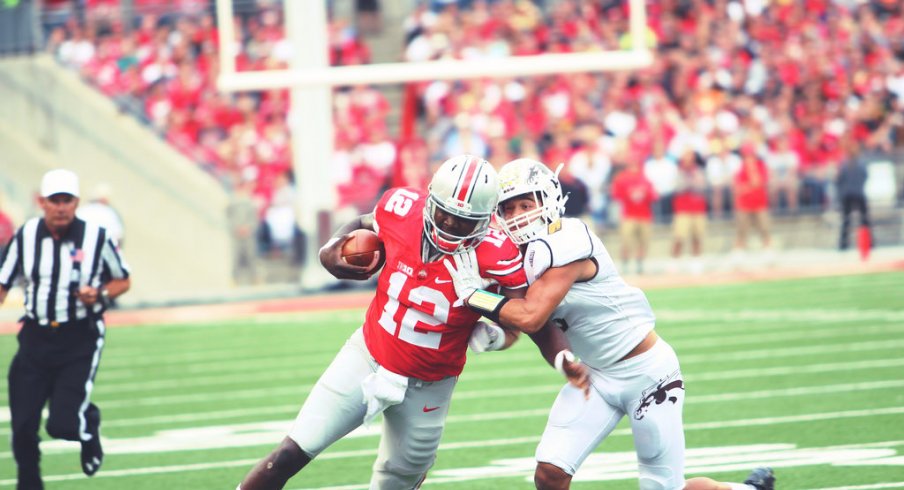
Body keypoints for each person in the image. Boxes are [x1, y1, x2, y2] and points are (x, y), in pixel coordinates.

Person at [236, 155, 585, 490]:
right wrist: (331, 251)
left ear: (484, 220)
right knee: (289, 452)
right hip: (367, 356)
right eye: (445, 213)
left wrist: (558, 355)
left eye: (462, 221)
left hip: (429, 386)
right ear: (431, 199)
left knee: (395, 483)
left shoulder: (498, 253)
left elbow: (529, 315)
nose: (449, 224)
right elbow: (362, 223)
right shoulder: (401, 207)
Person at [443, 158, 775, 490]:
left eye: (526, 204)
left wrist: (475, 296)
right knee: (549, 473)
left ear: (549, 200)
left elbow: (531, 315)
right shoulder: (517, 255)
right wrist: (504, 340)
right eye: (509, 208)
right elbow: (521, 327)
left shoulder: (567, 237)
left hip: (646, 372)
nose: (518, 216)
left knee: (664, 487)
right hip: (596, 376)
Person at [0, 169, 131, 489]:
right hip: (35, 336)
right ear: (41, 202)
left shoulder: (96, 237)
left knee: (63, 425)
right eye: (54, 200)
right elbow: (3, 283)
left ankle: (88, 425)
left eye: (66, 200)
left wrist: (98, 294)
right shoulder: (25, 236)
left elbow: (122, 279)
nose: (60, 207)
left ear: (76, 203)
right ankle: (29, 485)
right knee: (23, 426)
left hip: (79, 338)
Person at [610, 158, 657, 274]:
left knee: (643, 241)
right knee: (626, 240)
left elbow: (653, 196)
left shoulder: (645, 179)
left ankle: (640, 264)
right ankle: (625, 264)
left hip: (644, 215)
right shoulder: (622, 179)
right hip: (629, 215)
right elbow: (615, 194)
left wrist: (643, 194)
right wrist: (629, 194)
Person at [836, 140, 871, 251]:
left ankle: (843, 244)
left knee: (846, 221)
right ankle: (868, 244)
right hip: (859, 193)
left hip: (847, 195)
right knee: (864, 220)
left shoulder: (844, 164)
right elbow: (866, 176)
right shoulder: (860, 164)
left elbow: (839, 180)